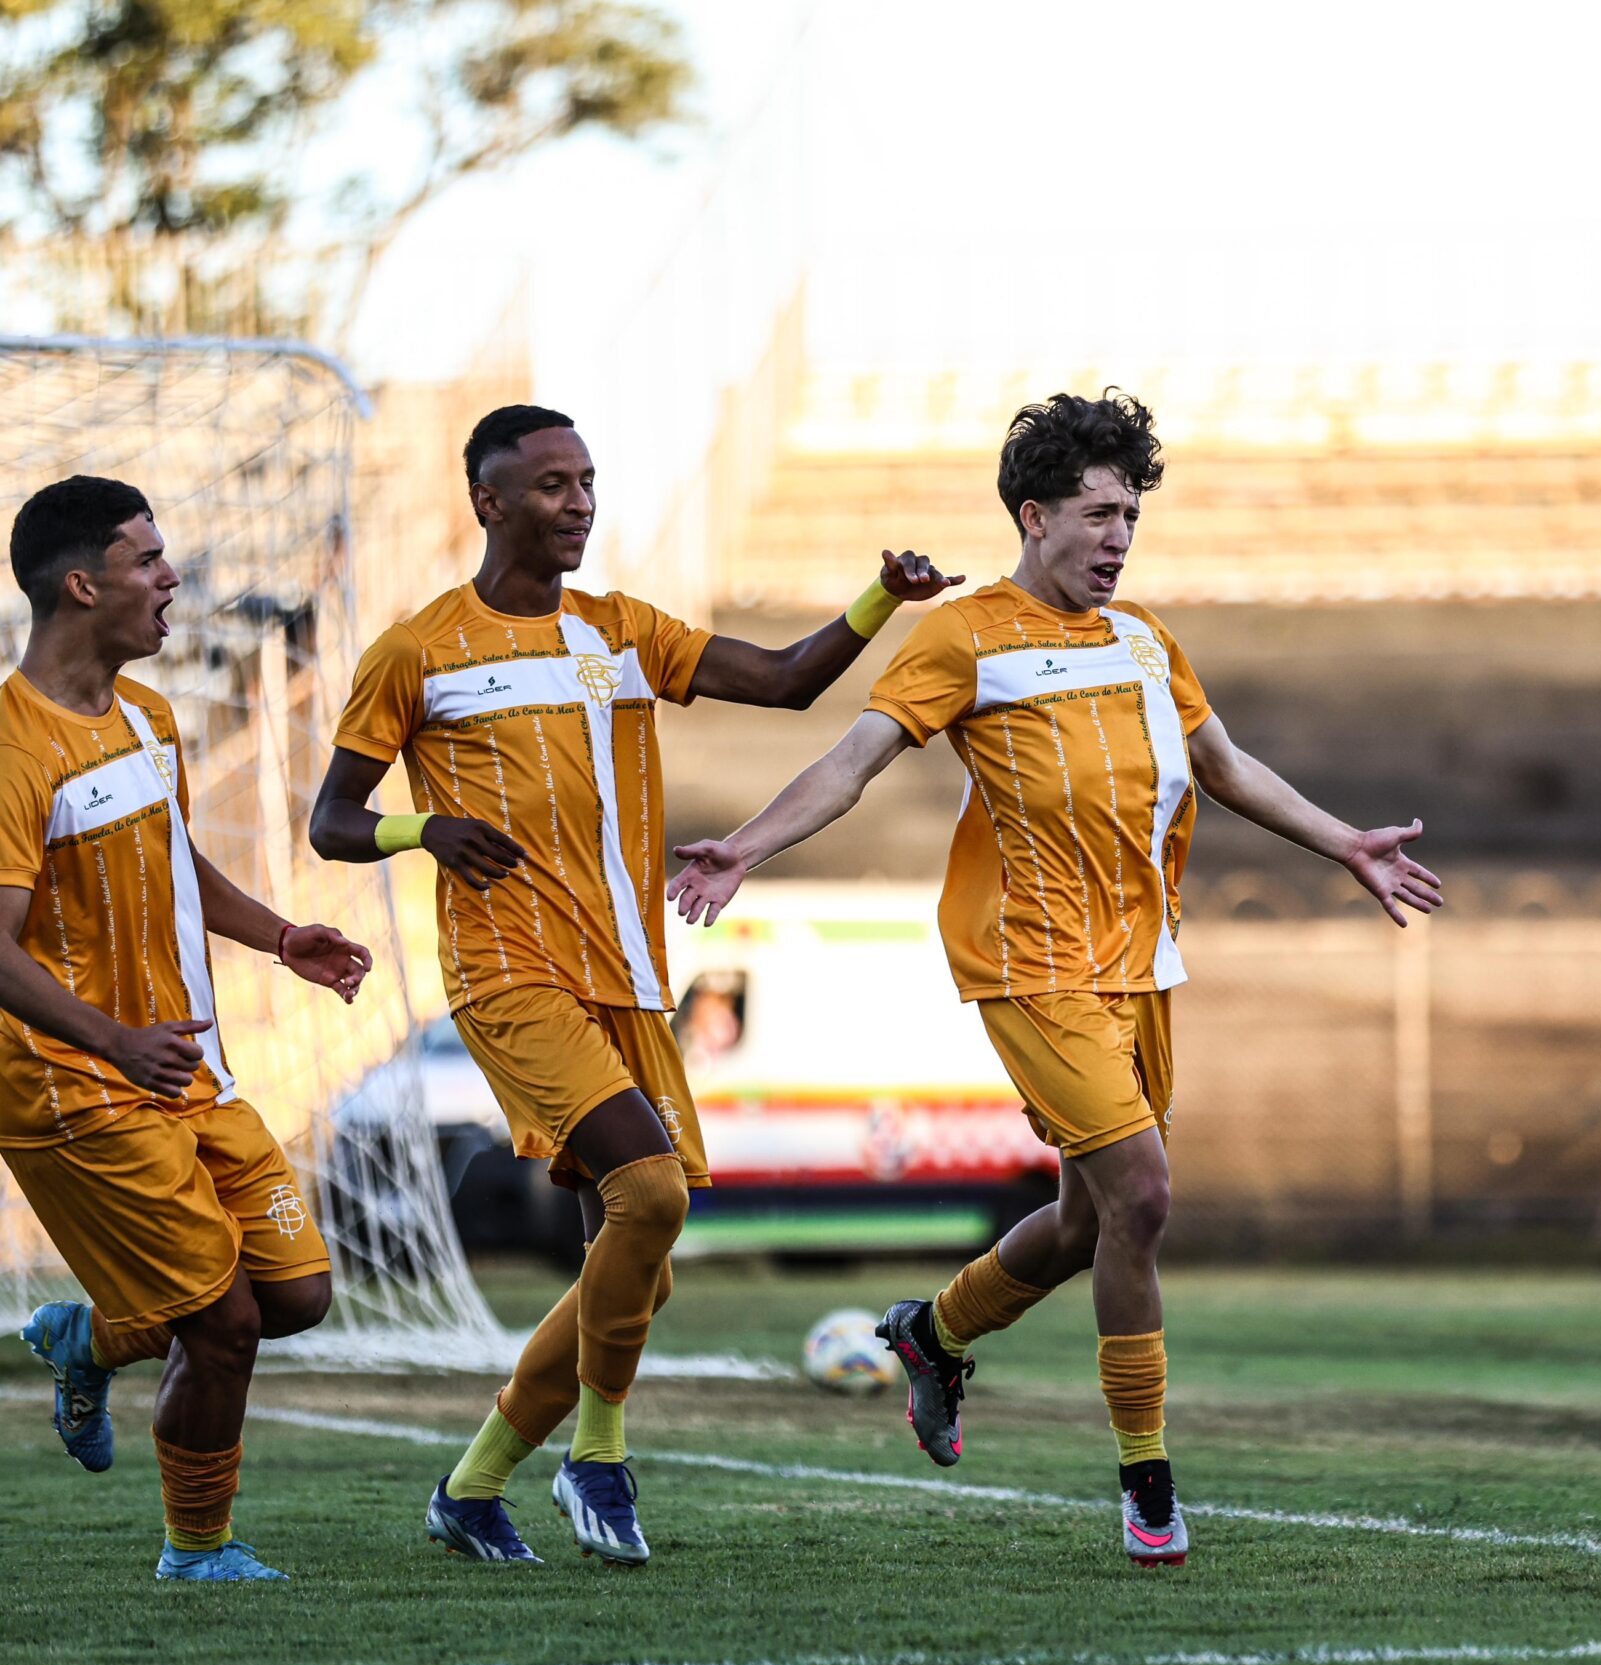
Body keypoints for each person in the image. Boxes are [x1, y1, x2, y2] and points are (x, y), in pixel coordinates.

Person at [667, 391, 1443, 1568]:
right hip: (1027, 963)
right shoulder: (962, 636)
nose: (1119, 537)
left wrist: (1342, 842)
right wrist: (745, 846)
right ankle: (1148, 1483)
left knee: (1088, 1222)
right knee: (1143, 1195)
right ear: (1034, 517)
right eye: (1096, 514)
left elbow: (1222, 765)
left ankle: (932, 1336)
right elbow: (854, 760)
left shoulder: (1145, 642)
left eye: (1130, 514)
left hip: (1142, 961)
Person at [308, 404, 955, 1566]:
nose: (580, 503)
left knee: (636, 1281)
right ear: (489, 502)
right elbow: (333, 822)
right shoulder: (416, 651)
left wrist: (878, 601)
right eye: (552, 484)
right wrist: (425, 828)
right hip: (509, 972)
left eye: (589, 481)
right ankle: (598, 1459)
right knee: (649, 1199)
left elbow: (786, 680)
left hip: (628, 974)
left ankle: (474, 1486)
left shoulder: (621, 630)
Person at [3, 476, 373, 1581]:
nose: (174, 582)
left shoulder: (149, 716)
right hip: (72, 1089)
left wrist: (277, 936)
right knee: (225, 1323)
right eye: (150, 562)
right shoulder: (13, 750)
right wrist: (112, 1041)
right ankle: (197, 1550)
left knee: (295, 1294)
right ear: (82, 584)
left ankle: (94, 1335)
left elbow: (174, 860)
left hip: (181, 1070)